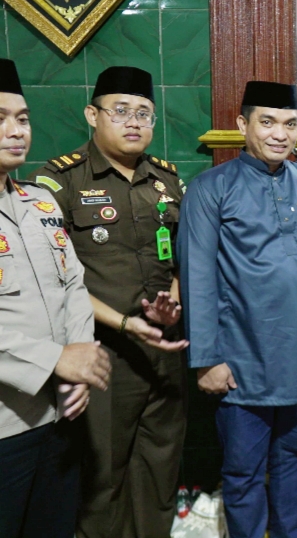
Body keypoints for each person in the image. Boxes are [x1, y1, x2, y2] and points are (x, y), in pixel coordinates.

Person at [32, 66, 187, 538]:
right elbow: (53, 281)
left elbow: (182, 260)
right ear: (92, 114)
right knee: (103, 479)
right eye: (120, 111)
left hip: (164, 350)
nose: (133, 122)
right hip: (101, 355)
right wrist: (123, 322)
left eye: (144, 113)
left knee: (160, 471)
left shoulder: (165, 179)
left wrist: (172, 304)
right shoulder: (58, 182)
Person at [178, 81, 297, 538]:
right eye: (267, 122)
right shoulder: (211, 189)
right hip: (240, 362)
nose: (280, 134)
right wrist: (206, 358)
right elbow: (197, 277)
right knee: (243, 473)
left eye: (289, 124)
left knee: (296, 463)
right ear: (243, 124)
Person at [0, 57, 110, 537]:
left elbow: (73, 286)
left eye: (22, 118)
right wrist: (56, 361)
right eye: (0, 119)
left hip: (59, 417)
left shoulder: (40, 203)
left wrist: (78, 359)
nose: (15, 131)